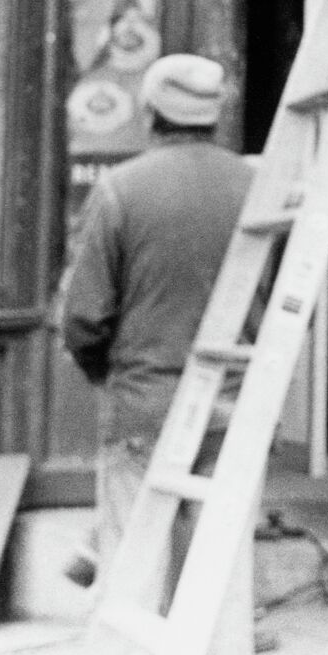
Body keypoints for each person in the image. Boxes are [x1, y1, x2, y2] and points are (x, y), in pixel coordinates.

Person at [60, 53, 257, 618]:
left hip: (146, 400)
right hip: (233, 399)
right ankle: (219, 653)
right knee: (218, 563)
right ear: (215, 115)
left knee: (132, 565)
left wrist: (104, 372)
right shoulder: (258, 187)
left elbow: (84, 317)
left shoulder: (122, 189)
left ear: (149, 113)